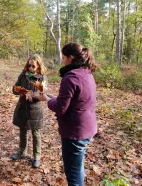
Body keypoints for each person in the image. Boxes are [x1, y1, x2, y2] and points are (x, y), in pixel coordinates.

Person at [36, 43, 97, 185]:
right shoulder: (86, 72)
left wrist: (46, 99)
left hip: (75, 131)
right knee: (78, 166)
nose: (62, 60)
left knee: (73, 172)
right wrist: (51, 96)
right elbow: (74, 101)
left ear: (70, 58)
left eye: (63, 57)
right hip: (87, 127)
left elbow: (61, 108)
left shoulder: (71, 77)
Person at [11, 54, 47, 168]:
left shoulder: (42, 78)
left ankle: (37, 156)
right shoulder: (23, 75)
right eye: (29, 65)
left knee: (36, 133)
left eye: (33, 66)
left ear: (38, 66)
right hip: (22, 107)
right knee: (23, 131)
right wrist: (22, 91)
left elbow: (43, 95)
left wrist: (33, 95)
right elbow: (14, 88)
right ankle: (22, 152)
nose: (30, 67)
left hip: (35, 109)